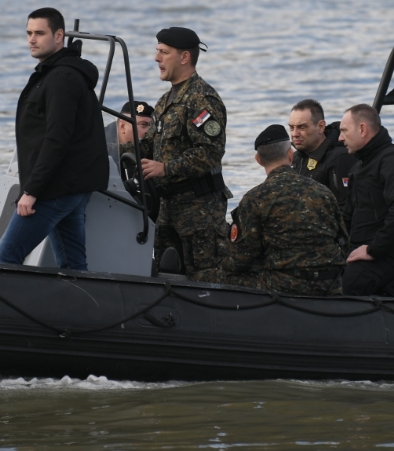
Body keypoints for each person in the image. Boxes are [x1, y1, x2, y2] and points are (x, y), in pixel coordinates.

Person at [0, 7, 110, 269]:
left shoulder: (62, 78)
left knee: (5, 258)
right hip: (70, 186)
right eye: (28, 33)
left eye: (39, 33)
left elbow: (57, 139)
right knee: (73, 266)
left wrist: (32, 191)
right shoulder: (57, 73)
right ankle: (84, 309)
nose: (31, 39)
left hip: (56, 189)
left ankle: (11, 310)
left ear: (59, 36)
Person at [140, 27, 230, 277]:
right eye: (157, 51)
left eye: (163, 52)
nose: (156, 58)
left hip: (199, 211)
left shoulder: (202, 99)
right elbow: (147, 145)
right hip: (168, 208)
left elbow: (210, 152)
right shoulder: (165, 101)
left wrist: (165, 168)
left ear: (184, 57)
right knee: (167, 276)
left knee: (204, 278)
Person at [216, 124, 347, 295]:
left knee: (208, 276)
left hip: (285, 285)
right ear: (290, 155)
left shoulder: (255, 198)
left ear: (258, 160)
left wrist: (221, 263)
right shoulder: (323, 192)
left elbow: (241, 259)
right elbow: (343, 240)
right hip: (330, 284)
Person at [338, 103, 394, 297]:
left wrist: (374, 250)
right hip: (359, 249)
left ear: (362, 129)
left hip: (388, 254)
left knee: (340, 291)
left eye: (344, 131)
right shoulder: (359, 167)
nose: (340, 138)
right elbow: (346, 217)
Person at [288, 98, 353, 218]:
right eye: (291, 128)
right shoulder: (296, 158)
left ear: (321, 126)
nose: (294, 134)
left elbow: (347, 209)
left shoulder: (340, 158)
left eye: (302, 127)